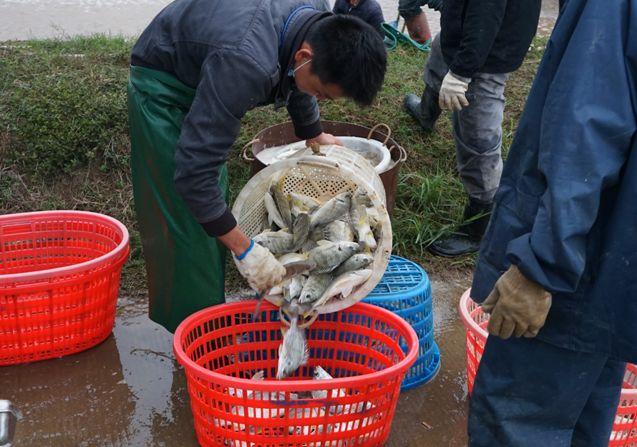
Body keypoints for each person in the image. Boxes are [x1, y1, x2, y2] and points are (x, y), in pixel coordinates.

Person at [127, 0, 387, 332]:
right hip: (164, 86)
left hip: (215, 56)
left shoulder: (314, 18)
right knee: (186, 224)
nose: (318, 98)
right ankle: (193, 335)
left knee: (212, 208)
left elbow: (301, 81)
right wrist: (245, 248)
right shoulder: (244, 64)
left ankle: (210, 308)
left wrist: (313, 132)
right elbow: (193, 175)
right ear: (304, 58)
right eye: (321, 94)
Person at [468, 0, 637, 445]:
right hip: (619, 284)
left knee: (519, 423)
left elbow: (585, 138)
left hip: (574, 279)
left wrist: (541, 265)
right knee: (584, 423)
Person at [402, 0, 541, 257]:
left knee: (477, 133)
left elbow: (484, 17)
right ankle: (426, 112)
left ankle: (479, 224)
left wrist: (462, 73)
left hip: (487, 51)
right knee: (440, 54)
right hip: (470, 29)